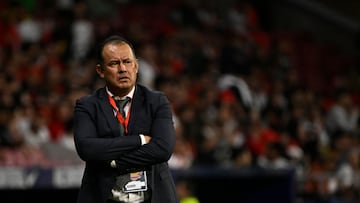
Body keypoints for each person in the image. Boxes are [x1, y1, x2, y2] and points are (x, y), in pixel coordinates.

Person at [73, 35, 179, 203]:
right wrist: (139, 140)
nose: (122, 69)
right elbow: (87, 149)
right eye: (114, 64)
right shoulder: (87, 105)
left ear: (136, 66)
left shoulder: (157, 101)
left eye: (127, 62)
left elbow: (163, 149)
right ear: (100, 70)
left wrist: (113, 161)